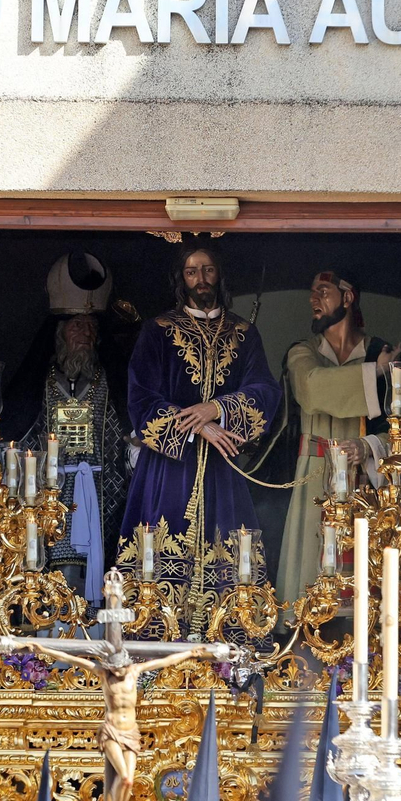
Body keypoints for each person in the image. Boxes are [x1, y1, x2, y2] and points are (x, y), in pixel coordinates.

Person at [119, 242, 281, 630]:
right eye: (192, 271)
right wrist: (200, 424)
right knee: (156, 564)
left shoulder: (243, 333)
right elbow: (141, 399)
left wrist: (220, 408)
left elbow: (265, 390)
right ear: (182, 279)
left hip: (222, 472)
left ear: (219, 275)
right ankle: (155, 645)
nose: (201, 279)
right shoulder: (158, 331)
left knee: (231, 565)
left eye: (208, 270)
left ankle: (228, 651)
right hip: (167, 470)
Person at [274, 269, 401, 599]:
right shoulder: (302, 353)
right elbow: (311, 388)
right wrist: (374, 371)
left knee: (365, 586)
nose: (314, 299)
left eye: (323, 291)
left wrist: (367, 446)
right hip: (312, 477)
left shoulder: (382, 351)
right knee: (309, 580)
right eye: (313, 292)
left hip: (365, 484)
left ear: (347, 298)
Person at [3, 252, 133, 603]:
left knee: (99, 579)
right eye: (77, 325)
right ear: (60, 332)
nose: (86, 333)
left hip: (104, 497)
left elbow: (129, 434)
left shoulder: (110, 381)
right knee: (50, 579)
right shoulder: (38, 384)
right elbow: (18, 434)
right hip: (52, 499)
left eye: (91, 326)